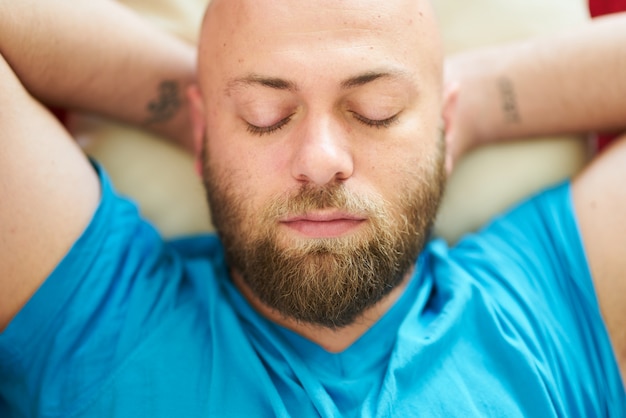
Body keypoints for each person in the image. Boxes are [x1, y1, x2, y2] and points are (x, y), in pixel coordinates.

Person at [0, 0, 624, 417]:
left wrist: (480, 102)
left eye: (376, 109)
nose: (321, 159)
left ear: (444, 127)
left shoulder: (550, 307)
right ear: (203, 134)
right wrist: (200, 102)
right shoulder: (97, 319)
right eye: (264, 117)